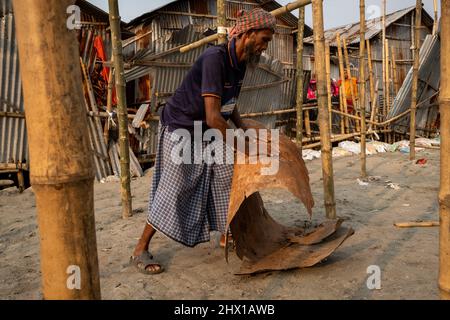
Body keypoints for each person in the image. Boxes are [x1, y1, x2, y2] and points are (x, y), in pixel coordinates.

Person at [130, 8, 276, 274]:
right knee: (176, 187)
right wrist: (239, 145)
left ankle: (225, 234)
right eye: (265, 39)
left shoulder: (241, 63)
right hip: (182, 127)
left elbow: (228, 105)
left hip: (207, 127)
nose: (266, 46)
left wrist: (243, 131)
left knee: (226, 177)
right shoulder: (214, 59)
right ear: (248, 34)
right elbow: (212, 116)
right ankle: (141, 247)